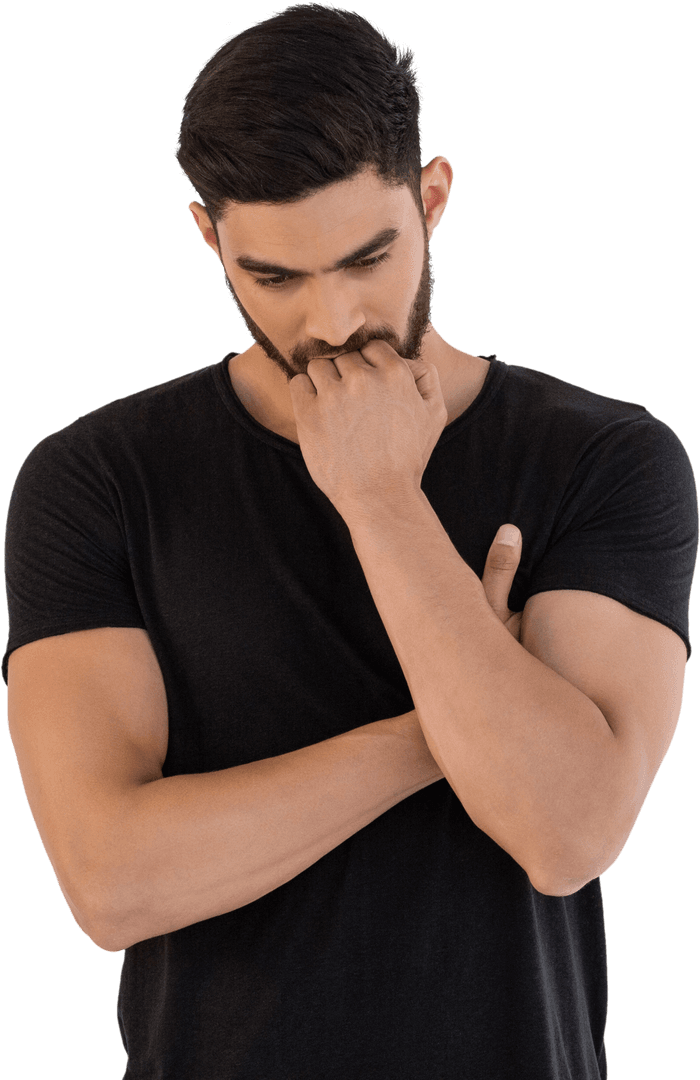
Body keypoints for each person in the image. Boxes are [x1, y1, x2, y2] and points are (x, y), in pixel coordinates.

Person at [3, 4, 697, 1078]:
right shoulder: (97, 479)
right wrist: (437, 731)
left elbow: (567, 836)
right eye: (274, 277)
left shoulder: (604, 458)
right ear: (210, 241)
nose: (330, 322)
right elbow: (110, 884)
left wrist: (379, 499)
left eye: (368, 257)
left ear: (432, 199)